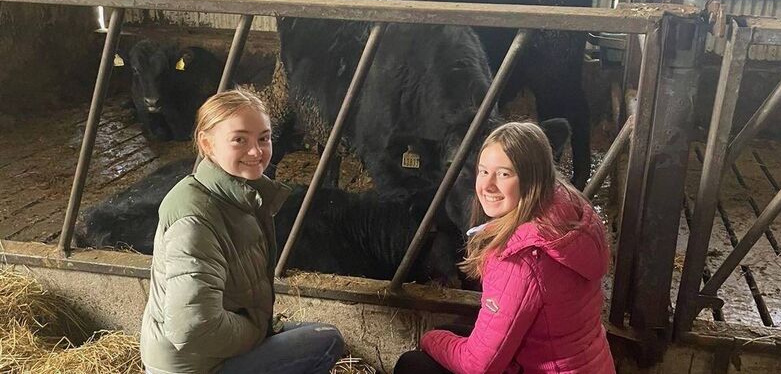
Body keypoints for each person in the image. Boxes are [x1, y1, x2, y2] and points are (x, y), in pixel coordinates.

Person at [140, 88, 344, 374]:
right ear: (207, 144)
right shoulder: (195, 216)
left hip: (207, 351)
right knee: (327, 340)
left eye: (264, 138)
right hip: (195, 366)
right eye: (239, 139)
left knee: (314, 332)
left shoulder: (237, 195)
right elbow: (192, 329)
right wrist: (256, 332)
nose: (256, 152)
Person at [394, 121, 615, 374]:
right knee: (455, 333)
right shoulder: (567, 209)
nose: (487, 186)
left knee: (413, 365)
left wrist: (428, 338)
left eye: (504, 173)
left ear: (532, 179)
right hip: (584, 365)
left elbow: (479, 367)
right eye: (483, 171)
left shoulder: (517, 259)